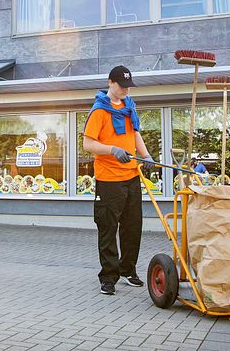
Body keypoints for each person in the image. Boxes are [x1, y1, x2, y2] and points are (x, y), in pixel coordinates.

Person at [83, 65, 153, 296]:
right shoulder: (98, 111)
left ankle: (128, 270)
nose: (126, 90)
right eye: (122, 86)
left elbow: (135, 133)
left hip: (131, 176)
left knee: (133, 227)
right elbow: (88, 144)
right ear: (110, 83)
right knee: (108, 228)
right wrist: (112, 150)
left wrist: (146, 155)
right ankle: (108, 277)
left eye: (128, 86)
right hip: (109, 179)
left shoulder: (129, 106)